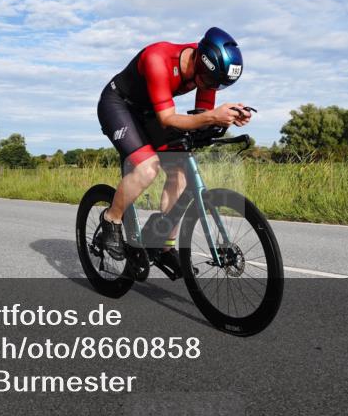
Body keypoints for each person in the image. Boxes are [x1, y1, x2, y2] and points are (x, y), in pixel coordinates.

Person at [95, 27, 252, 274]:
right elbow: (168, 119)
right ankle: (111, 219)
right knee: (147, 169)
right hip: (118, 105)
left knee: (179, 170)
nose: (212, 88)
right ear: (201, 61)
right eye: (212, 82)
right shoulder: (159, 59)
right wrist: (213, 116)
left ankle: (163, 245)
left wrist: (228, 117)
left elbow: (201, 117)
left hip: (149, 111)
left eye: (219, 86)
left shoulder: (209, 70)